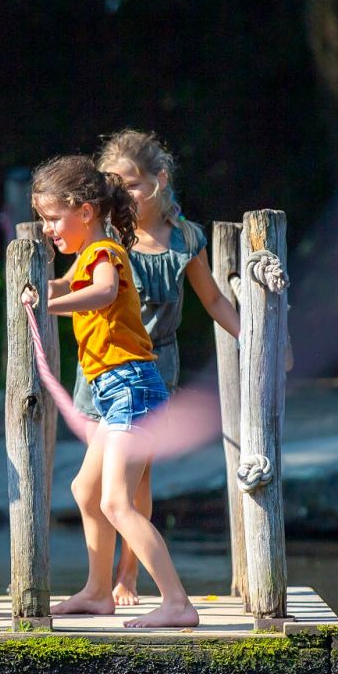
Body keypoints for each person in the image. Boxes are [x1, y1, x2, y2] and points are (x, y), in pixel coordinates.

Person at [21, 154, 199, 629]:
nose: (50, 230)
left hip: (134, 388)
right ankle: (99, 592)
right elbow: (62, 283)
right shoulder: (85, 256)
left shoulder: (105, 253)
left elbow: (101, 293)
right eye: (43, 220)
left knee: (116, 501)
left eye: (54, 219)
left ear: (85, 211)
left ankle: (177, 602)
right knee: (86, 489)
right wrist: (41, 282)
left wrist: (51, 302)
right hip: (113, 390)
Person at [77, 129, 241, 606]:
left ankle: (128, 576)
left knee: (135, 479)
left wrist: (257, 339)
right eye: (114, 185)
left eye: (130, 184)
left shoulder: (185, 239)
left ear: (158, 180)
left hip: (151, 373)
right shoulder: (105, 237)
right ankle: (97, 585)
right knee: (99, 484)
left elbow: (212, 299)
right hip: (102, 371)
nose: (122, 195)